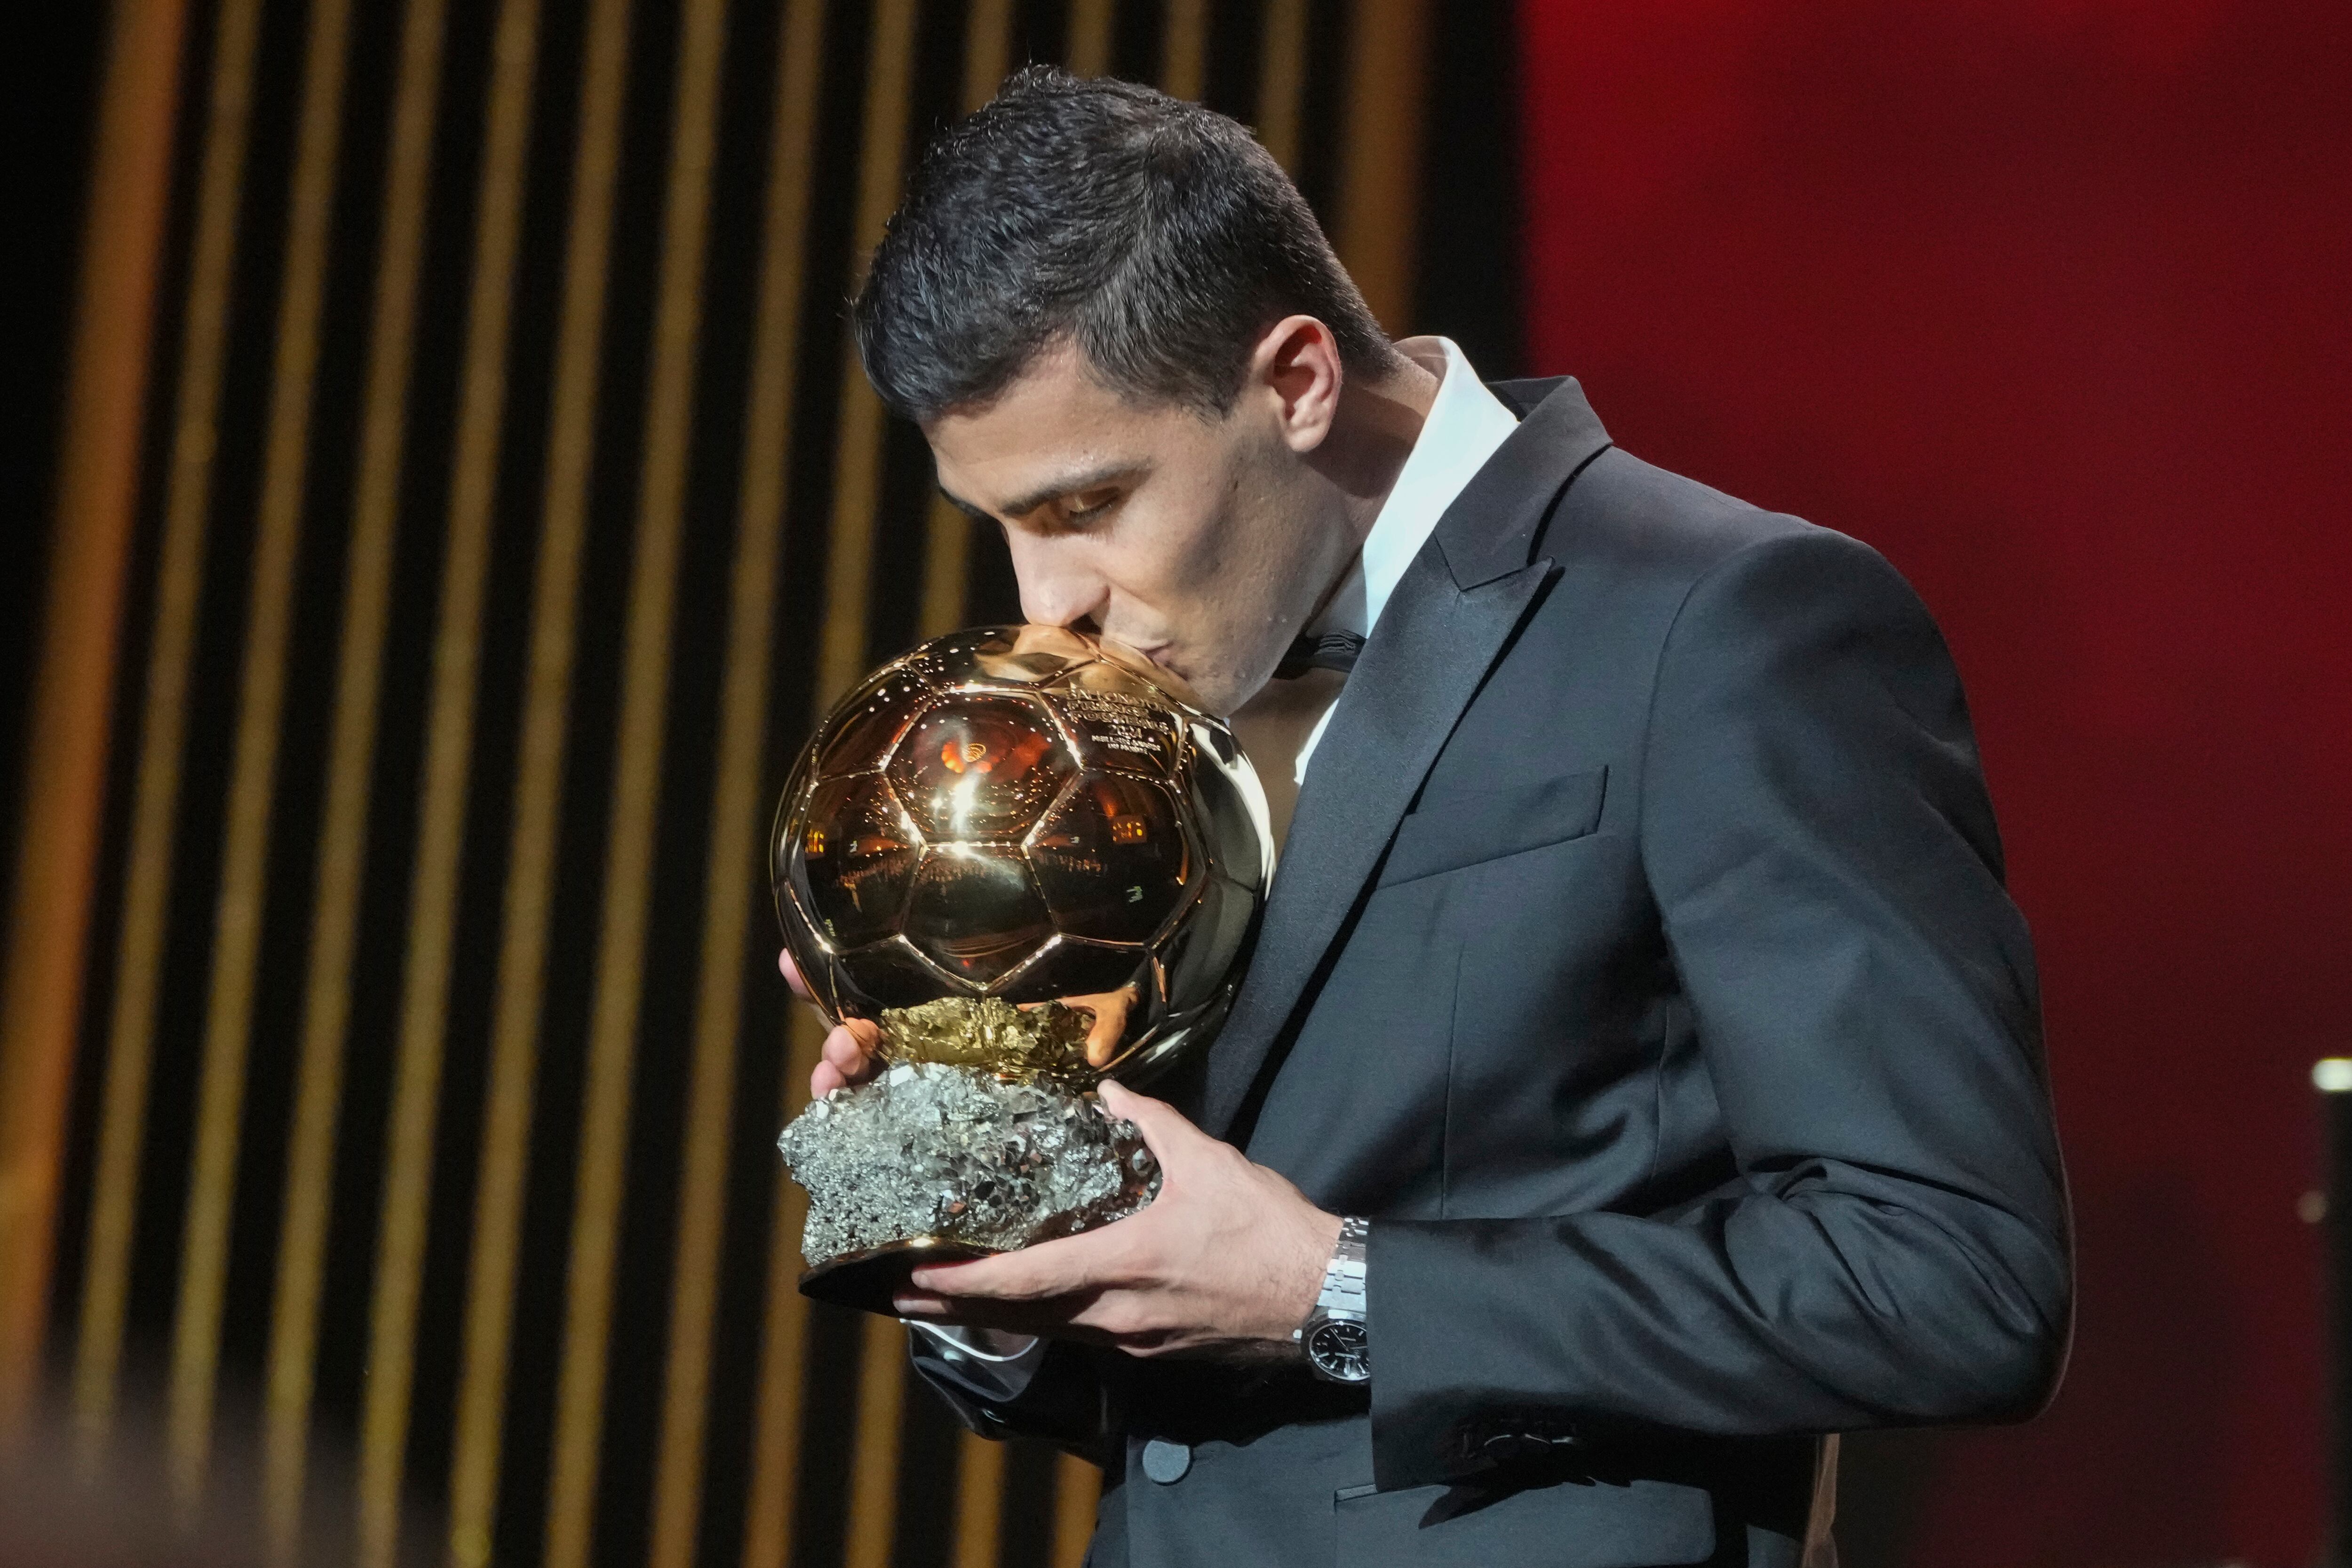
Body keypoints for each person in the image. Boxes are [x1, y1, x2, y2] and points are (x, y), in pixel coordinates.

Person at [779, 66, 2071, 1567]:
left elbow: (1955, 1282)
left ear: (1299, 380)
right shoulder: (1140, 701)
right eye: (996, 525)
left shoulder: (1729, 624)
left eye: (1085, 505)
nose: (1043, 603)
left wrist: (1333, 1288)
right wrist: (980, 1229)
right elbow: (1206, 1383)